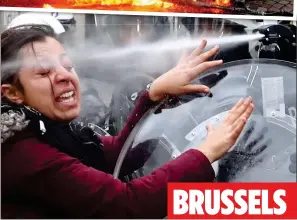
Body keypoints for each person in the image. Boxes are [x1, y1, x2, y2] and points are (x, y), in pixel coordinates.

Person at [1, 24, 254, 218]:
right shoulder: (25, 155)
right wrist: (205, 152)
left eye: (67, 65)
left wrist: (154, 94)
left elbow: (117, 152)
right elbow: (128, 203)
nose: (65, 76)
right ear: (12, 93)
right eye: (44, 72)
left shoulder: (42, 128)